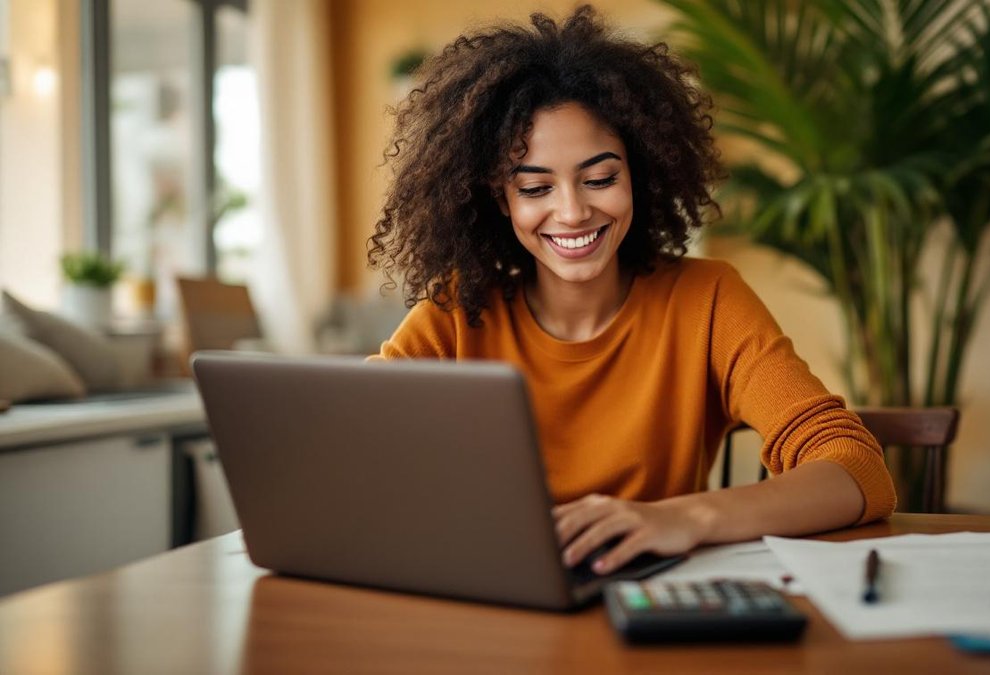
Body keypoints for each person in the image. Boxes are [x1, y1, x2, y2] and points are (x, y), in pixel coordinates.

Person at [368, 6, 896, 576]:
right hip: (492, 603)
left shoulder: (707, 300)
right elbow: (350, 446)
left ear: (638, 177)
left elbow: (857, 469)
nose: (572, 212)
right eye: (536, 187)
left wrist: (684, 518)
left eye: (600, 179)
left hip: (649, 601)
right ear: (502, 200)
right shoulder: (455, 313)